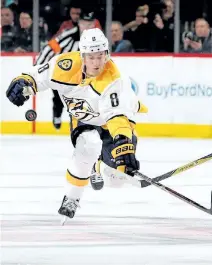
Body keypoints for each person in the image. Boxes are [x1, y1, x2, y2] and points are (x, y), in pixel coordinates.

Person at [6, 28, 148, 222]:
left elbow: (117, 117)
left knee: (117, 179)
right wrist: (22, 82)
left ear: (107, 54)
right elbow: (37, 76)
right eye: (91, 57)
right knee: (87, 146)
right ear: (82, 55)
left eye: (100, 56)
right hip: (84, 119)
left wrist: (123, 142)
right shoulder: (65, 66)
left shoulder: (114, 80)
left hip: (111, 121)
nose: (97, 62)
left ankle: (101, 164)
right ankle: (72, 197)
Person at [35, 12, 98, 130]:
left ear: (94, 24)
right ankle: (57, 114)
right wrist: (38, 67)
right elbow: (50, 47)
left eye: (90, 24)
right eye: (84, 23)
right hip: (63, 71)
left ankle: (77, 124)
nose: (87, 26)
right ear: (79, 23)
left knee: (81, 100)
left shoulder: (98, 39)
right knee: (59, 97)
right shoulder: (68, 35)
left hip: (83, 76)